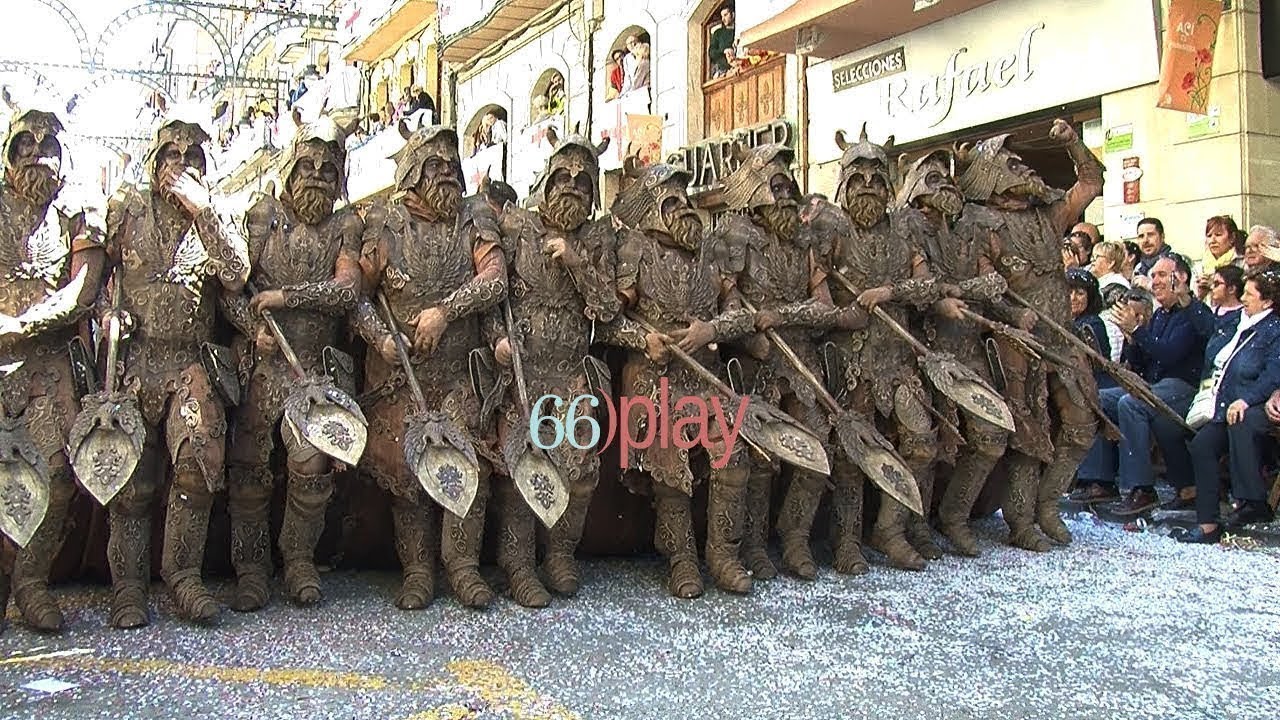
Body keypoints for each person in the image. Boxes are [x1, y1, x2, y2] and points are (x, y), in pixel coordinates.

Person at [102, 118, 250, 627]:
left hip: (191, 361)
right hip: (137, 359)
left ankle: (183, 575)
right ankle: (128, 586)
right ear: (154, 161)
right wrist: (106, 314)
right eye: (171, 155)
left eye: (192, 158)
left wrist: (203, 210)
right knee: (131, 479)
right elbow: (97, 280)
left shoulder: (217, 212)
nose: (181, 164)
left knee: (198, 462)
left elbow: (236, 274)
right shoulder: (127, 210)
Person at [350, 124, 505, 610]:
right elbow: (356, 297)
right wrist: (381, 338)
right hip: (401, 375)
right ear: (413, 173)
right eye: (434, 166)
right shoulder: (386, 223)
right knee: (408, 473)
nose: (446, 174)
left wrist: (445, 312)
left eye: (452, 166)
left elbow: (495, 279)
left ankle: (462, 566)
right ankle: (417, 569)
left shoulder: (475, 217)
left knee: (470, 462)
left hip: (460, 372)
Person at [599, 157, 760, 597]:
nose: (685, 207)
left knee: (733, 455)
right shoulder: (636, 252)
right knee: (669, 463)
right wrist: (642, 339)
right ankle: (681, 559)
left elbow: (740, 314)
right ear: (653, 210)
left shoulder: (711, 253)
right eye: (672, 202)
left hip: (705, 377)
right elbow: (607, 320)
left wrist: (713, 330)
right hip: (654, 378)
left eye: (686, 199)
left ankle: (722, 555)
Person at [222, 117, 363, 611]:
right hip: (263, 362)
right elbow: (231, 287)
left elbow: (347, 290)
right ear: (290, 169)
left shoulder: (346, 226)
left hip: (313, 367)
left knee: (311, 463)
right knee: (248, 465)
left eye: (328, 170)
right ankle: (250, 567)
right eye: (307, 167)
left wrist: (286, 296)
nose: (317, 177)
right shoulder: (263, 216)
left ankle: (298, 558)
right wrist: (251, 327)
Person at [958, 120, 1105, 551]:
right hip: (1017, 347)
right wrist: (1010, 313)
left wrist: (1074, 144)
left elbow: (1091, 182)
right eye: (1010, 163)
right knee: (1028, 435)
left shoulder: (1049, 215)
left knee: (1082, 426)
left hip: (1061, 340)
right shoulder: (980, 225)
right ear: (990, 177)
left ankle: (1048, 504)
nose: (1022, 167)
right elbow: (982, 286)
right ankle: (1020, 521)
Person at [491, 127, 619, 606]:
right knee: (521, 466)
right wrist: (498, 341)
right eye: (563, 177)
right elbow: (492, 298)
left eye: (583, 182)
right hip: (520, 370)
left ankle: (560, 554)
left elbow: (608, 308)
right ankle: (518, 564)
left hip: (570, 373)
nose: (572, 187)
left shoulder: (598, 239)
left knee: (580, 470)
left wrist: (577, 261)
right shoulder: (515, 227)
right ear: (546, 180)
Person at [812, 125, 942, 570]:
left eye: (876, 180)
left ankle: (890, 528)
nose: (867, 187)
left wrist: (890, 292)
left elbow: (928, 286)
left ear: (888, 186)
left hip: (898, 358)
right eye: (858, 180)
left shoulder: (906, 229)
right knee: (854, 452)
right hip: (852, 360)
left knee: (921, 444)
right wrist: (839, 314)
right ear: (844, 185)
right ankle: (846, 540)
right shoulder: (829, 229)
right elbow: (816, 294)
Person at [0, 104, 106, 633]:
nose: (37, 155)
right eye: (27, 144)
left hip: (51, 363)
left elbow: (83, 289)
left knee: (58, 476)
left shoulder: (77, 212)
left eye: (48, 147)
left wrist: (24, 323)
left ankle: (31, 580)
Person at [891, 149, 1012, 558]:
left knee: (991, 436)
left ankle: (955, 514)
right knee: (924, 443)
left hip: (966, 347)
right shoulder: (905, 228)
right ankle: (912, 524)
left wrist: (954, 291)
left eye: (947, 177)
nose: (944, 184)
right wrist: (938, 297)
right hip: (920, 349)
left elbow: (992, 283)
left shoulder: (965, 232)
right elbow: (919, 286)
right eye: (934, 178)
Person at [1099, 256, 1206, 515]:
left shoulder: (1193, 314)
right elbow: (1143, 362)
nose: (1154, 281)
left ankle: (1142, 488)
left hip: (1183, 387)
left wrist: (1137, 331)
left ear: (1180, 278)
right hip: (1155, 385)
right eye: (1153, 275)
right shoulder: (1159, 315)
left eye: (1161, 275)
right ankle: (1098, 480)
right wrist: (1131, 339)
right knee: (1098, 397)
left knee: (1131, 404)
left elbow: (1169, 355)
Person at [1180, 269, 1280, 543]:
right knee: (1202, 445)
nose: (1243, 298)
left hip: (1256, 402)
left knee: (1241, 422)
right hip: (1222, 403)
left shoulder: (1273, 331)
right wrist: (1189, 299)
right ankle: (1208, 524)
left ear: (1267, 301)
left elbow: (1273, 374)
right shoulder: (1237, 322)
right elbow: (1210, 331)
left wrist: (1246, 399)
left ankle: (1252, 501)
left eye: (1249, 294)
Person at [1194, 215, 1244, 302]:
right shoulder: (1199, 267)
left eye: (1218, 235)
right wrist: (1200, 294)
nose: (1213, 240)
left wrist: (1214, 285)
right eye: (1209, 236)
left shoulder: (1242, 262)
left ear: (1232, 238)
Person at [1133, 217, 1172, 283]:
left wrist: (1149, 285)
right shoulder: (1138, 268)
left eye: (1150, 235)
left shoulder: (1175, 263)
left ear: (1162, 237)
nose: (1145, 240)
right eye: (1141, 236)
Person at [709, 4, 736, 79]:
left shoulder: (738, 31)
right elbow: (711, 52)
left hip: (738, 68)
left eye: (725, 15)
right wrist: (724, 51)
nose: (723, 19)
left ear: (733, 14)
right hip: (723, 72)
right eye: (722, 16)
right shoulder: (718, 33)